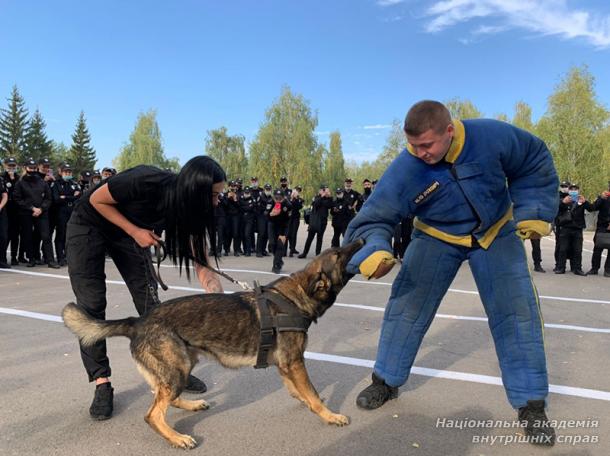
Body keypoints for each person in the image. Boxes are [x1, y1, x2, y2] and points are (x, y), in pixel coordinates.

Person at [344, 100, 558, 445]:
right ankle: (385, 381)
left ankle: (531, 406)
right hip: (436, 235)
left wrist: (533, 208)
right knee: (406, 308)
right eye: (412, 145)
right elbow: (372, 218)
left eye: (426, 144)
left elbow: (533, 159)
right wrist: (374, 251)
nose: (420, 152)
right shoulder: (406, 167)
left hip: (495, 231)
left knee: (518, 314)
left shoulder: (492, 135)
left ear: (449, 130)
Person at [66, 156, 226, 421]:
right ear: (194, 189)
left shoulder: (189, 209)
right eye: (213, 195)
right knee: (92, 305)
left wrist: (214, 291)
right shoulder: (147, 179)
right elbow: (97, 200)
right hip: (89, 224)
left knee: (152, 308)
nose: (217, 201)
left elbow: (200, 257)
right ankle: (102, 382)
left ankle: (171, 368)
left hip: (129, 233)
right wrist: (135, 231)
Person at [13, 158, 59, 269]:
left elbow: (48, 198)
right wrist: (31, 208)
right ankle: (31, 259)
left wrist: (41, 209)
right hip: (26, 213)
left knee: (46, 236)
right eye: (30, 168)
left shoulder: (42, 181)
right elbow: (17, 199)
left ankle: (51, 261)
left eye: (34, 168)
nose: (32, 170)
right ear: (25, 168)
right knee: (28, 236)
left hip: (42, 213)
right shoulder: (20, 182)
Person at [554, 184, 592, 276]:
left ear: (578, 190)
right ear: (569, 190)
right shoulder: (564, 199)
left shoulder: (581, 200)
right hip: (565, 228)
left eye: (575, 189)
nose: (574, 191)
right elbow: (556, 209)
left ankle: (577, 268)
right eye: (572, 189)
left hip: (577, 229)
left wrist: (585, 202)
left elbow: (591, 209)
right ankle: (560, 268)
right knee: (563, 249)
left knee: (577, 250)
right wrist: (563, 202)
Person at [52, 163, 82, 266]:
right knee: (61, 234)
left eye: (69, 172)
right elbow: (56, 199)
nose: (68, 174)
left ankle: (67, 256)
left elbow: (79, 196)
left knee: (69, 235)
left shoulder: (74, 183)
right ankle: (60, 257)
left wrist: (65, 197)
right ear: (61, 172)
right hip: (61, 212)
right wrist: (71, 196)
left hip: (71, 210)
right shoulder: (56, 184)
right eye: (66, 172)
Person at [298, 185, 333, 258]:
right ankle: (304, 253)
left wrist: (328, 197)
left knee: (319, 238)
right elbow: (316, 204)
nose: (324, 192)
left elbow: (329, 205)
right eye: (323, 190)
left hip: (323, 221)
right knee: (310, 237)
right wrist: (322, 197)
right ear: (320, 191)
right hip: (315, 221)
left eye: (326, 190)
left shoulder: (329, 199)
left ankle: (318, 255)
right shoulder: (317, 197)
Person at [586, 182, 610, 277]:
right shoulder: (604, 197)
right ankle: (594, 268)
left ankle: (608, 270)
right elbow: (592, 208)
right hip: (602, 227)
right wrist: (600, 198)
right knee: (597, 249)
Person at [2, 157, 21, 265]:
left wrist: (13, 179)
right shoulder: (2, 177)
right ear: (5, 166)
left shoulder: (19, 178)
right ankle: (3, 257)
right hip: (5, 210)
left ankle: (14, 257)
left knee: (15, 235)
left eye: (13, 166)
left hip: (17, 210)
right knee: (5, 235)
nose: (11, 168)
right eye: (9, 165)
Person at [267, 188, 291, 273]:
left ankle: (276, 266)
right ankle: (279, 260)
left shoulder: (288, 205)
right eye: (276, 198)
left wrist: (284, 234)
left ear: (284, 198)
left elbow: (288, 220)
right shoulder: (270, 202)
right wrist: (271, 214)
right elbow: (266, 215)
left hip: (283, 226)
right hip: (272, 225)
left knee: (280, 245)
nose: (278, 200)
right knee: (272, 244)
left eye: (280, 198)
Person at [287, 185, 304, 256]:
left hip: (296, 218)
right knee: (289, 233)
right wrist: (291, 198)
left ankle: (292, 249)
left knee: (294, 234)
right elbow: (287, 205)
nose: (297, 191)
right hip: (289, 218)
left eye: (299, 190)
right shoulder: (288, 198)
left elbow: (299, 206)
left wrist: (296, 199)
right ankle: (290, 247)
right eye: (297, 190)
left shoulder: (300, 200)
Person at [0, 169, 9, 268]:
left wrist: (0, 206)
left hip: (1, 212)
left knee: (3, 236)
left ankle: (2, 260)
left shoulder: (0, 180)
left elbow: (5, 195)